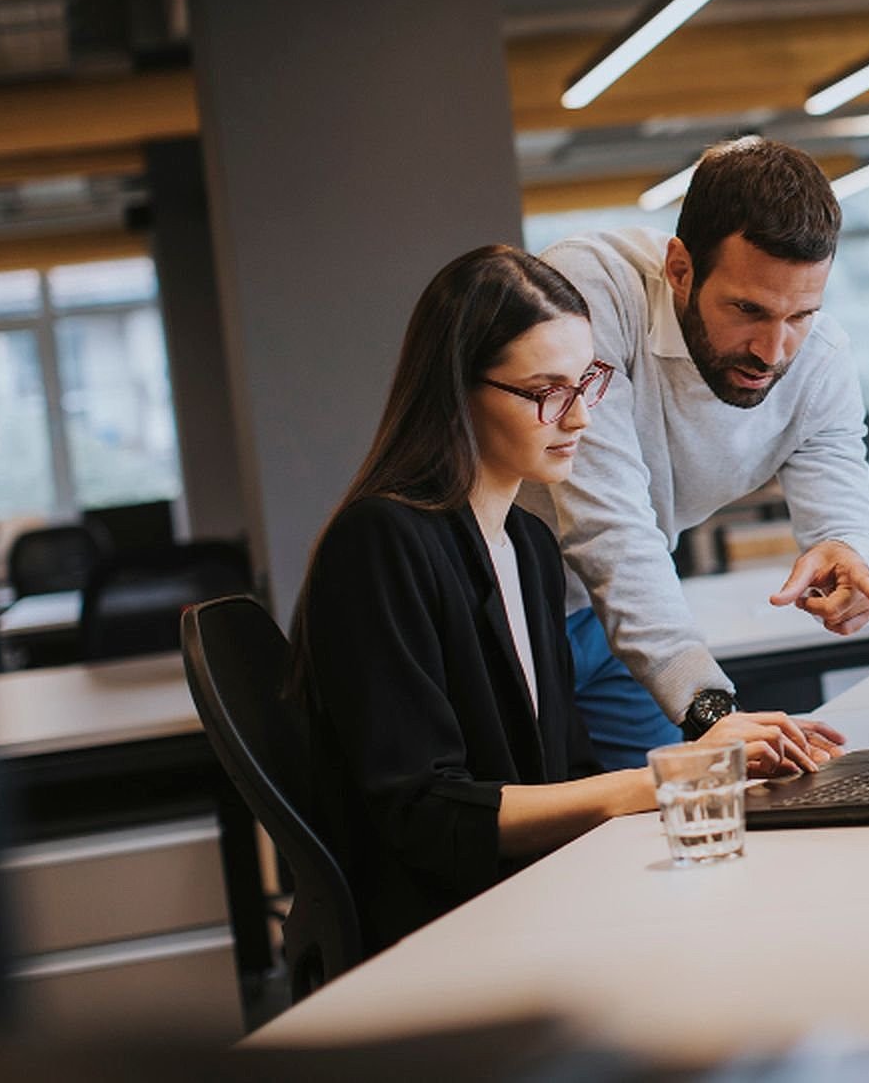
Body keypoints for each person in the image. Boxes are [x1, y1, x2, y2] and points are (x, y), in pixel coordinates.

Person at [288, 245, 831, 952]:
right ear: (459, 389)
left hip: (533, 905)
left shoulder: (532, 549)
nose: (579, 419)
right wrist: (668, 776)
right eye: (547, 391)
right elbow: (424, 814)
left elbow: (563, 775)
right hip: (446, 940)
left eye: (588, 383)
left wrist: (708, 776)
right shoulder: (381, 542)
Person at [518, 138, 869, 770]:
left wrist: (854, 557)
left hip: (612, 622)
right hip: (499, 615)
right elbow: (608, 522)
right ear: (680, 269)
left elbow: (843, 510)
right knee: (519, 835)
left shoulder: (820, 360)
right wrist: (710, 710)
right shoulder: (589, 291)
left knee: (651, 816)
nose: (774, 351)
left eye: (801, 314)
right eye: (748, 310)